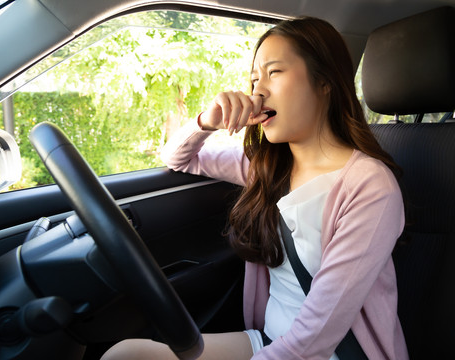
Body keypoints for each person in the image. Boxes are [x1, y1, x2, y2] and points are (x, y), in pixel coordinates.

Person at [102, 16, 408, 360]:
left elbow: (317, 335)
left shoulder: (370, 186)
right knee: (124, 355)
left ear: (325, 82)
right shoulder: (264, 166)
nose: (258, 90)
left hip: (326, 352)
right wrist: (208, 121)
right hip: (270, 341)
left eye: (274, 72)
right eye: (253, 79)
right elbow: (179, 158)